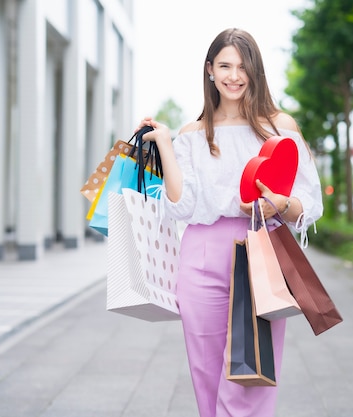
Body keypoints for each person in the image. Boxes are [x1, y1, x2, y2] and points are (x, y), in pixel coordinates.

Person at [136, 28, 323, 417]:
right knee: (205, 373)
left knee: (249, 373)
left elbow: (310, 202)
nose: (234, 75)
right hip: (201, 254)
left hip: (261, 252)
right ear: (209, 70)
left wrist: (279, 204)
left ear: (256, 72)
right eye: (224, 65)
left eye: (243, 66)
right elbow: (181, 206)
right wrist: (166, 145)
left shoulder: (280, 127)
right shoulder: (191, 134)